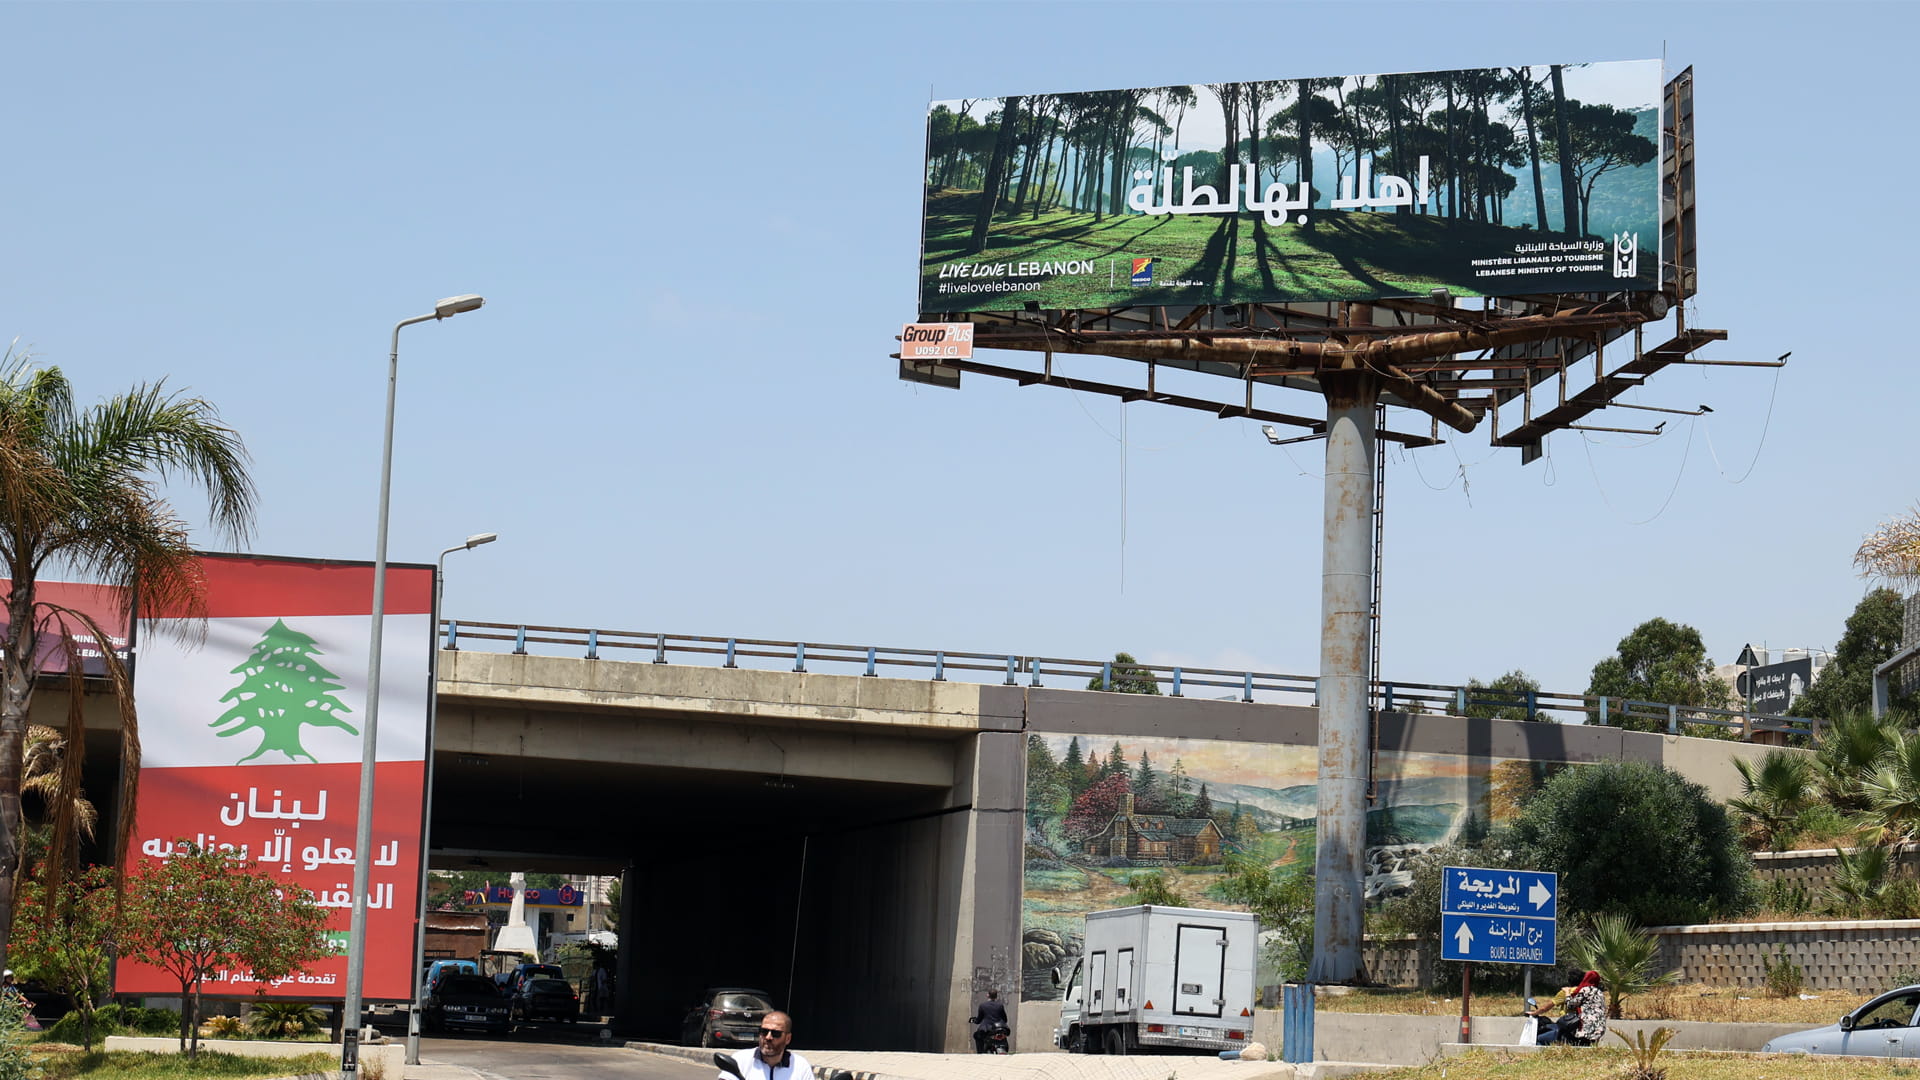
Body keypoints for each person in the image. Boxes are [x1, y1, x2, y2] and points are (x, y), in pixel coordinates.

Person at [720, 1010, 811, 1080]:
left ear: (788, 1038)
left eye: (775, 1033)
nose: (768, 1037)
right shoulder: (740, 1059)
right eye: (764, 1031)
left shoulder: (800, 1066)